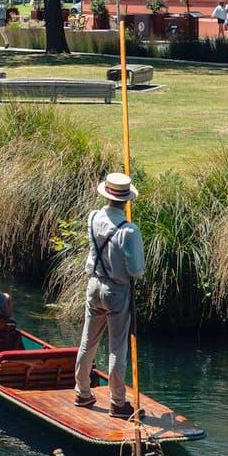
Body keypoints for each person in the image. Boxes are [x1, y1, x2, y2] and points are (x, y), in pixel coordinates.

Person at [74, 172, 145, 418]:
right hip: (117, 290)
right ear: (126, 201)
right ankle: (118, 402)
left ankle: (82, 392)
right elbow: (136, 269)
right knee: (117, 347)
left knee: (87, 341)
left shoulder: (93, 217)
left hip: (93, 285)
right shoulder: (130, 231)